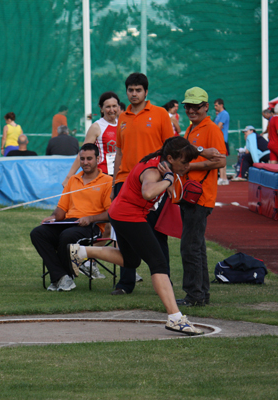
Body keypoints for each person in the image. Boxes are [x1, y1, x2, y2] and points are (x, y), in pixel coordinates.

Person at [69, 136, 204, 335]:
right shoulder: (154, 171)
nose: (187, 166)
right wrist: (168, 180)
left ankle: (81, 251)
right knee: (159, 264)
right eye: (184, 162)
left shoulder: (161, 161)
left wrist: (198, 154)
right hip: (128, 216)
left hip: (121, 214)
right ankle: (175, 318)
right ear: (170, 158)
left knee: (131, 260)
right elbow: (148, 192)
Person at [110, 72, 175, 295]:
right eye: (130, 90)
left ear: (146, 92)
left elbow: (169, 149)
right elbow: (119, 152)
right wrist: (114, 183)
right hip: (124, 182)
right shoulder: (122, 116)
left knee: (157, 234)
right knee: (125, 236)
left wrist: (168, 179)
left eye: (138, 90)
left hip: (152, 182)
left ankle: (165, 281)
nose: (134, 94)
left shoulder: (160, 114)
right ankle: (125, 283)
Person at [30, 143, 112, 291]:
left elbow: (110, 213)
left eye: (89, 158)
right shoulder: (73, 180)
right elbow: (62, 209)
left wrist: (90, 218)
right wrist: (53, 217)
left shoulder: (107, 181)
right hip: (69, 223)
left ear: (98, 159)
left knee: (67, 236)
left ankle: (62, 277)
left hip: (92, 226)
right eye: (82, 159)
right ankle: (62, 277)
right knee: (38, 233)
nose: (85, 162)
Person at [178, 87, 227, 307]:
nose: (191, 110)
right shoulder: (191, 128)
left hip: (200, 196)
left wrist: (190, 166)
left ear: (206, 107)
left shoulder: (211, 129)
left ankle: (194, 295)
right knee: (196, 247)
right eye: (188, 106)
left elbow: (221, 161)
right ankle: (201, 294)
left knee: (190, 247)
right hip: (190, 195)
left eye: (196, 106)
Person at [62, 92, 120, 187]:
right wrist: (68, 177)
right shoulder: (97, 127)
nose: (112, 110)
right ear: (101, 109)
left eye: (114, 106)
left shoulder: (122, 124)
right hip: (103, 175)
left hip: (119, 174)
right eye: (108, 107)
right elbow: (83, 153)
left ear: (118, 107)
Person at [214, 98, 230, 185]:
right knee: (220, 158)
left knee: (221, 158)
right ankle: (223, 177)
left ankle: (223, 178)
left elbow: (218, 127)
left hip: (222, 139)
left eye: (216, 105)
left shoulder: (224, 114)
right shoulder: (219, 114)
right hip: (219, 139)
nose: (215, 107)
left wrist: (216, 127)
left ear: (221, 105)